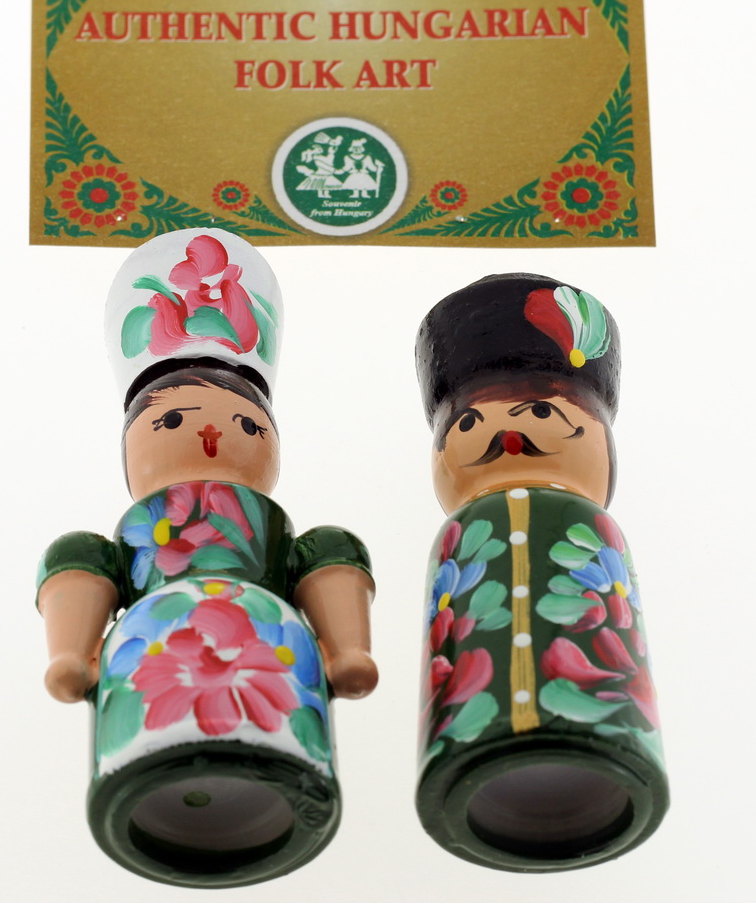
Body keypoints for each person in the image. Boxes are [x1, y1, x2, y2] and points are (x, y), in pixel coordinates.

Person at [37, 228, 376, 888]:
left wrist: (345, 650)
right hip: (155, 649)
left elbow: (329, 556)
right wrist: (71, 654)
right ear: (130, 448)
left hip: (270, 654)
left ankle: (275, 754)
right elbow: (78, 561)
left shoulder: (280, 544)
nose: (216, 430)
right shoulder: (131, 544)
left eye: (250, 425)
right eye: (170, 420)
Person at [414, 273, 667, 872]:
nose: (507, 433)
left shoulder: (595, 525)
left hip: (605, 720)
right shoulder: (456, 537)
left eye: (543, 411)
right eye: (468, 423)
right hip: (465, 731)